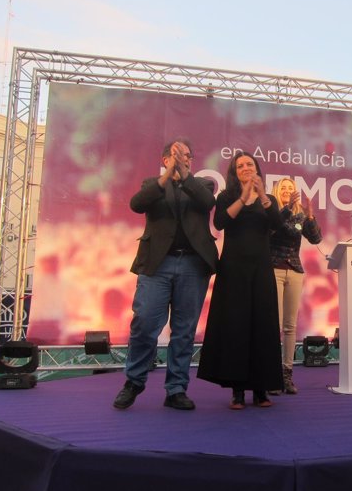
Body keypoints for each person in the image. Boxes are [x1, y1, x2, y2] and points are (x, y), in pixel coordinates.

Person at [113, 138, 218, 411]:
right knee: (145, 322)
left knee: (184, 331)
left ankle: (176, 389)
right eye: (176, 155)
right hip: (157, 265)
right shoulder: (152, 185)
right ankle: (134, 381)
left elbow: (207, 202)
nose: (183, 158)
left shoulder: (203, 184)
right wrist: (167, 177)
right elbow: (137, 204)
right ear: (164, 160)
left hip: (193, 265)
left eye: (187, 155)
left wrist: (184, 175)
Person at [197, 152, 283, 409]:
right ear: (234, 172)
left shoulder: (270, 199)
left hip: (261, 268)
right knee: (236, 326)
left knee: (262, 325)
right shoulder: (226, 197)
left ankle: (261, 389)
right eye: (240, 166)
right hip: (233, 269)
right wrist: (243, 197)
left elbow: (277, 224)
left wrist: (262, 196)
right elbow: (221, 222)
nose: (246, 168)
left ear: (257, 169)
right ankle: (237, 390)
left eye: (250, 165)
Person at [268, 177, 322, 394]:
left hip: (295, 270)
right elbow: (274, 230)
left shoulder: (300, 215)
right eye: (284, 188)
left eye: (291, 188)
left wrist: (310, 215)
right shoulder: (272, 211)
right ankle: (270, 374)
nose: (288, 191)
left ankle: (287, 373)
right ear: (277, 191)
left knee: (290, 325)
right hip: (273, 269)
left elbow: (316, 239)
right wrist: (288, 209)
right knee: (274, 323)